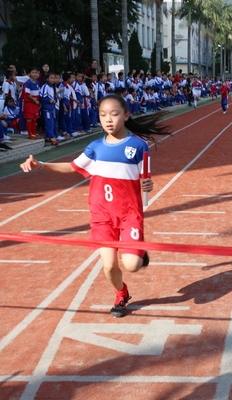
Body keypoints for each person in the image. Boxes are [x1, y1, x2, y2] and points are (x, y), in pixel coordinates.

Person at [20, 94, 170, 318]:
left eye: (114, 114)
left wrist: (148, 183)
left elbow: (145, 179)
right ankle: (121, 294)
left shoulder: (139, 146)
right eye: (103, 115)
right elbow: (71, 167)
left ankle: (137, 252)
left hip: (129, 214)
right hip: (102, 216)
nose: (108, 119)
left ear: (126, 115)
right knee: (109, 266)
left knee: (131, 265)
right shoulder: (95, 147)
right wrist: (40, 164)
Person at [21, 67, 42, 140]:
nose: (35, 74)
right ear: (30, 74)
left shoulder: (37, 82)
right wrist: (34, 100)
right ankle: (30, 134)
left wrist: (38, 102)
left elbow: (38, 93)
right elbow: (27, 94)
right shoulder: (28, 83)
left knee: (34, 119)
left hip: (35, 103)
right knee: (29, 118)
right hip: (29, 103)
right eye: (33, 72)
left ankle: (34, 133)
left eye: (36, 73)